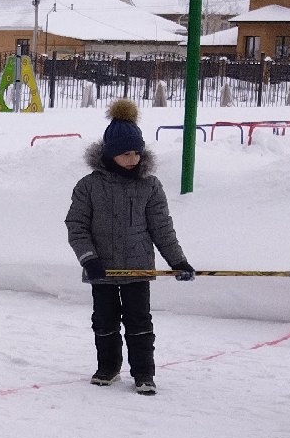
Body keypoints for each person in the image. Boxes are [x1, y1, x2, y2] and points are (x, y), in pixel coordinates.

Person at [64, 98, 193, 394]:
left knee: (139, 323)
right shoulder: (89, 186)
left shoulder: (150, 185)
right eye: (126, 153)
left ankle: (144, 373)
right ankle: (108, 368)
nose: (133, 158)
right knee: (104, 322)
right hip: (103, 270)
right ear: (110, 154)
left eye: (137, 152)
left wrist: (178, 262)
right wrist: (88, 259)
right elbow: (77, 226)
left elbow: (162, 229)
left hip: (137, 269)